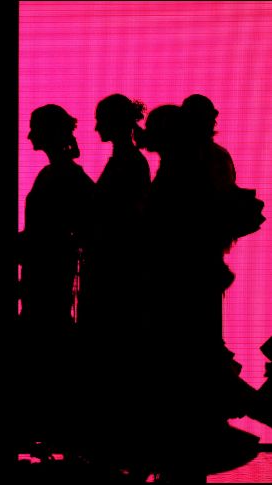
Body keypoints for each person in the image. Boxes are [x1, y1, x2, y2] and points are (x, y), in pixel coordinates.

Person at [135, 104, 260, 481]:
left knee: (188, 353)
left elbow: (175, 221)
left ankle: (196, 438)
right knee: (195, 354)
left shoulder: (185, 166)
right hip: (195, 272)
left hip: (183, 275)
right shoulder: (200, 160)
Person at [75, 95, 151, 465]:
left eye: (100, 120)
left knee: (111, 337)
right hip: (113, 265)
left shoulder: (128, 163)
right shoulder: (129, 161)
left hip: (113, 268)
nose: (95, 128)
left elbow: (120, 217)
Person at [15, 104, 94, 457]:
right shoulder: (61, 174)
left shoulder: (61, 176)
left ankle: (52, 424)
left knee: (46, 333)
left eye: (35, 128)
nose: (30, 135)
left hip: (49, 269)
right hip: (47, 267)